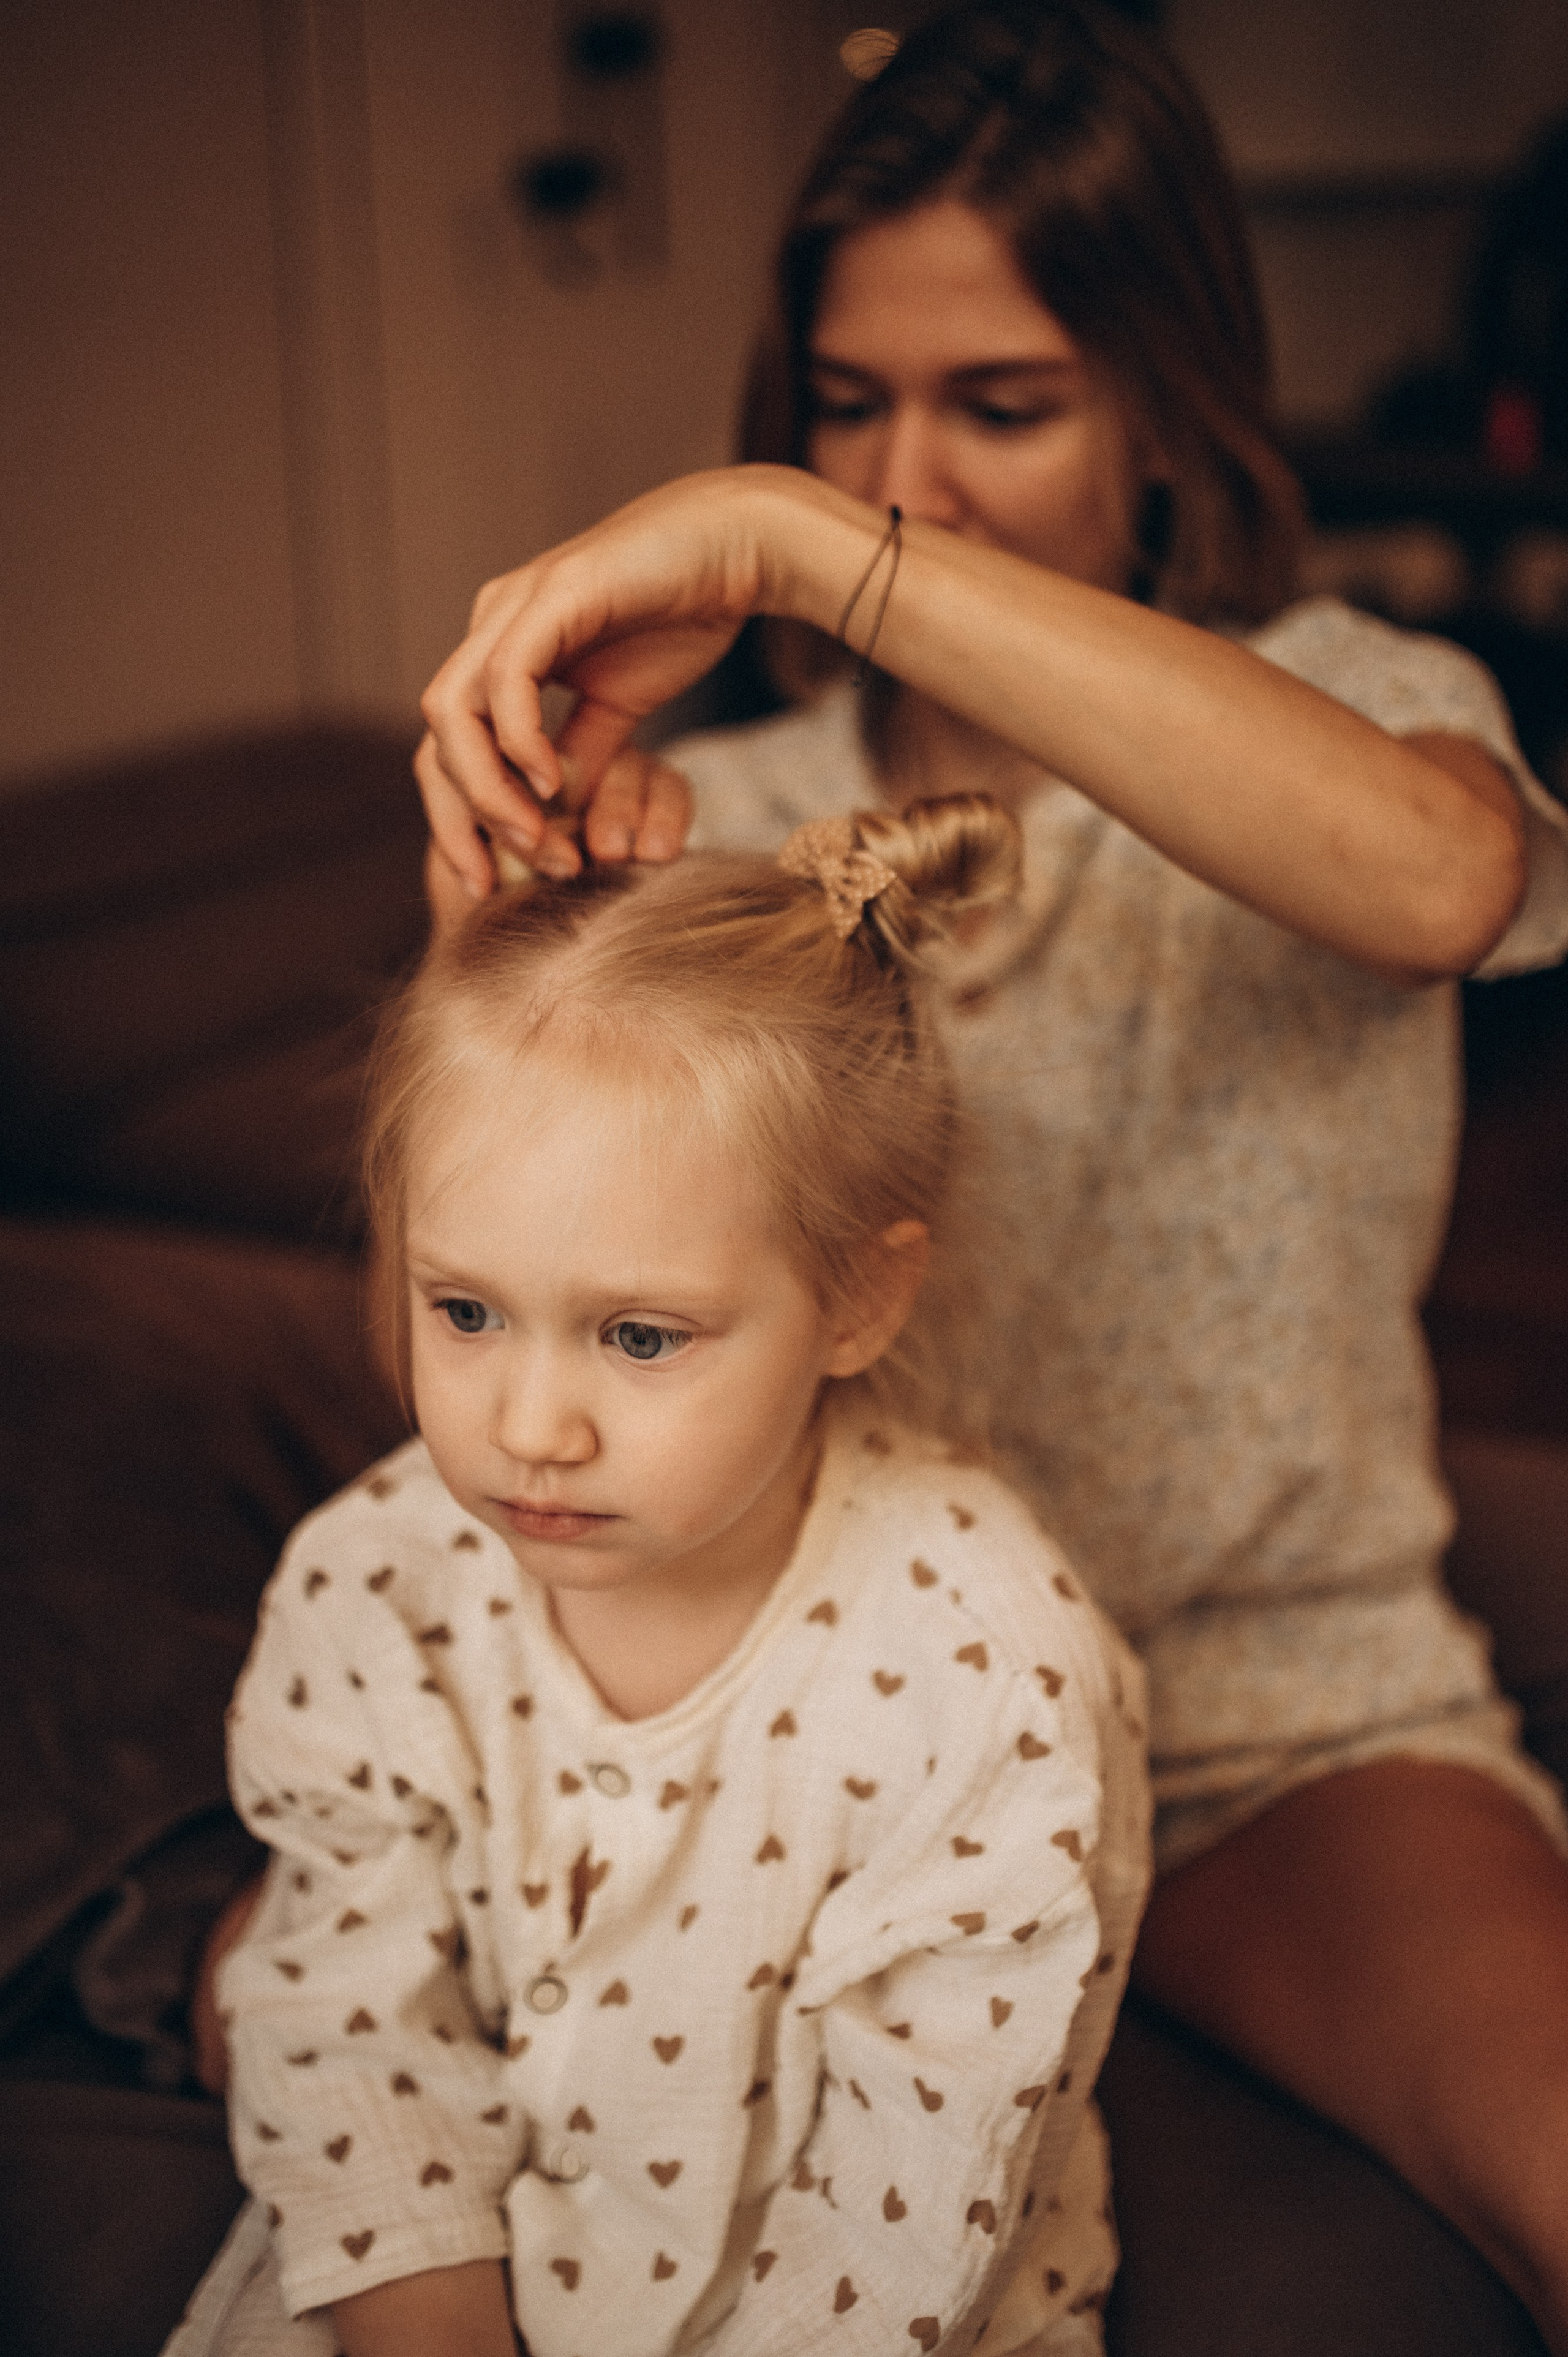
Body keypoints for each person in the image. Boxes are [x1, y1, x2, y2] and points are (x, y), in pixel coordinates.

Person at [412, 2, 1568, 2345]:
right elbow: (485, 1340)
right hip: (796, 1738)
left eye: (1003, 403)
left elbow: (1446, 888)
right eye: (848, 407)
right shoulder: (719, 829)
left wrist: (804, 543)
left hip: (1278, 1739)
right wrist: (496, 947)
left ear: (1170, 402)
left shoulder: (1372, 702)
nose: (909, 475)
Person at [174, 807, 1150, 2357]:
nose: (527, 1427)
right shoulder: (379, 1577)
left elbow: (898, 2205)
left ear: (856, 1295)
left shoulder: (986, 1674)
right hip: (431, 2268)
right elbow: (346, 2018)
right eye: (467, 1310)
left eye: (639, 1336)